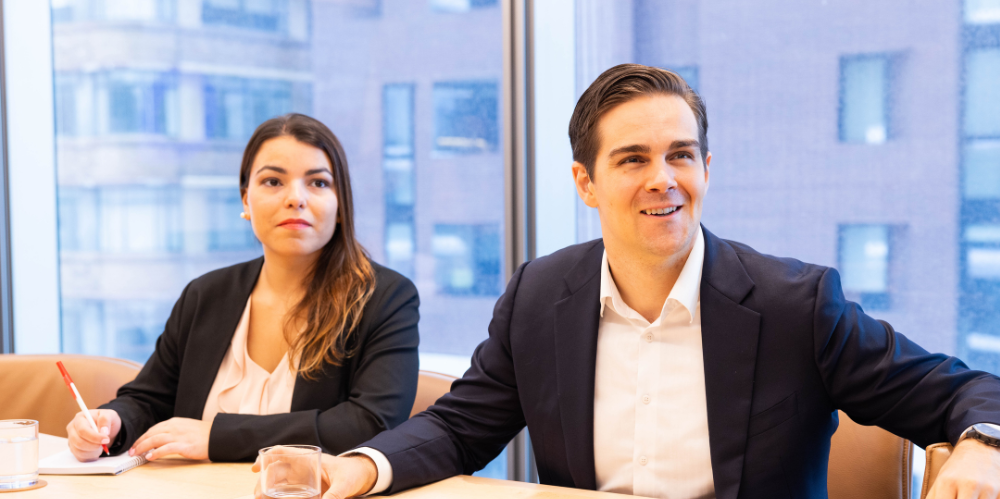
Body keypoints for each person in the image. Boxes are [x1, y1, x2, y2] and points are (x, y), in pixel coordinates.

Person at [261, 65, 1000, 499]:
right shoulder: (537, 298)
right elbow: (460, 427)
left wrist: (982, 442)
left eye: (682, 155)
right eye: (633, 159)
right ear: (585, 181)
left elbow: (966, 389)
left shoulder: (796, 304)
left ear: (708, 170)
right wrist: (352, 469)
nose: (664, 180)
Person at [66, 113, 420, 463]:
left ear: (341, 206)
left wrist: (217, 438)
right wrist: (112, 422)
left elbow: (372, 424)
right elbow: (150, 399)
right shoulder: (205, 294)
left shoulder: (386, 298)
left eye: (318, 183)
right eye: (273, 182)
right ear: (245, 200)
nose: (296, 198)